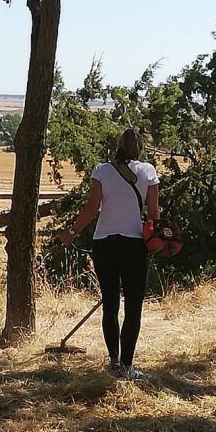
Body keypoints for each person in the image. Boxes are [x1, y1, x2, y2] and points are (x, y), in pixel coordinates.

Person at [59, 129, 159, 380]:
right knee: (133, 306)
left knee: (110, 304)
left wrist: (72, 231)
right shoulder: (148, 171)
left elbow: (92, 208)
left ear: (119, 147)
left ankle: (113, 362)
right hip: (134, 244)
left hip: (104, 243)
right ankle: (127, 367)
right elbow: (154, 213)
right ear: (139, 148)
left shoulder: (102, 171)